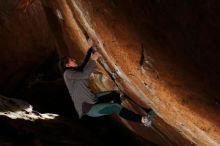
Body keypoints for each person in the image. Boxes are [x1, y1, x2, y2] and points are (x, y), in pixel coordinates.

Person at [61, 44, 155, 127]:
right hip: (90, 108)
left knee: (116, 94)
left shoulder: (72, 72)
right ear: (67, 65)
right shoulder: (67, 74)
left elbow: (82, 66)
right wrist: (94, 59)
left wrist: (90, 50)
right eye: (71, 60)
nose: (74, 60)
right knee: (115, 107)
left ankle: (119, 107)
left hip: (93, 99)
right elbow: (84, 74)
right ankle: (144, 120)